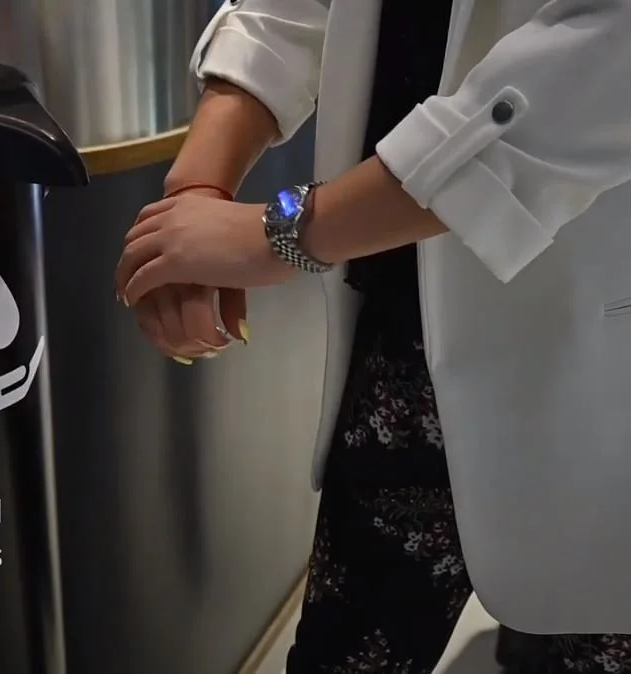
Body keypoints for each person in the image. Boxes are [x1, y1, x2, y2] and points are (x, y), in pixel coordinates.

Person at [114, 0, 631, 672]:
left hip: (592, 338)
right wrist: (198, 190)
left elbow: (598, 62)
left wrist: (278, 233)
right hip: (399, 333)